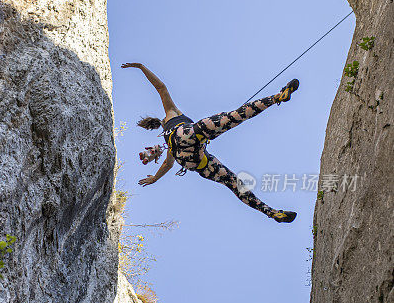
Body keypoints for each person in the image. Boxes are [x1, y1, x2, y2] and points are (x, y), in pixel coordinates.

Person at [121, 62, 300, 223]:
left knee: (234, 182)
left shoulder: (169, 138)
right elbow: (161, 88)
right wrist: (142, 67)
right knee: (233, 118)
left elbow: (168, 164)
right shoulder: (173, 113)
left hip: (187, 158)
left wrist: (155, 178)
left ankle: (273, 213)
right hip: (190, 141)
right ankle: (277, 97)